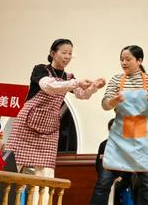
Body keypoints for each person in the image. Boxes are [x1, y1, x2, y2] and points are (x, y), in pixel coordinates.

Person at [80, 45, 148, 205]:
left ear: (139, 61)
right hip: (119, 136)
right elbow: (104, 104)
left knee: (146, 183)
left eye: (128, 59)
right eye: (122, 59)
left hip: (142, 136)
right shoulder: (117, 80)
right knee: (104, 182)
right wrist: (113, 102)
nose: (124, 62)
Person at [6, 39, 105, 177]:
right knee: (13, 166)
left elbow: (82, 95)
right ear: (53, 53)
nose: (67, 57)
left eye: (70, 53)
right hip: (26, 126)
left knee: (46, 173)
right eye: (64, 53)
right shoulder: (40, 70)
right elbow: (49, 86)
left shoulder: (68, 77)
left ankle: (43, 199)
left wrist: (94, 87)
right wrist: (76, 82)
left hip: (49, 129)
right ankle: (2, 198)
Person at [95, 119, 132, 205]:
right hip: (107, 175)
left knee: (116, 190)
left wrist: (121, 177)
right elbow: (98, 163)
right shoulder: (103, 144)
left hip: (123, 178)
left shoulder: (126, 144)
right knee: (101, 188)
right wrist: (104, 175)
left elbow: (128, 163)